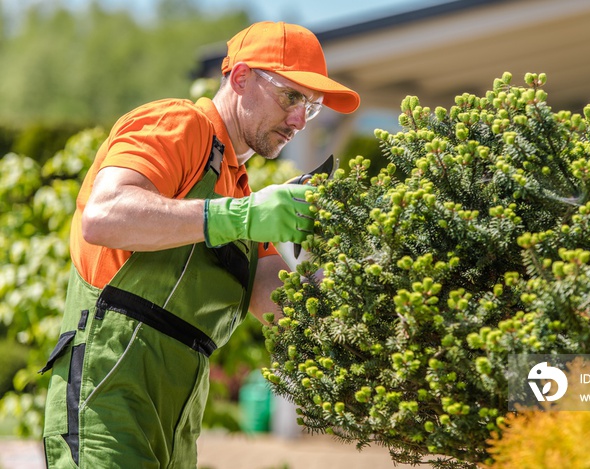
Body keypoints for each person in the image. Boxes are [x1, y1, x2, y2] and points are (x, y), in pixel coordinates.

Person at [40, 21, 360, 468]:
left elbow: (282, 306)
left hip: (179, 423)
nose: (298, 121)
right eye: (291, 97)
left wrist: (365, 272)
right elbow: (104, 214)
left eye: (312, 107)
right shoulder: (179, 124)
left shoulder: (243, 194)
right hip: (107, 399)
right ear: (242, 76)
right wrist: (241, 216)